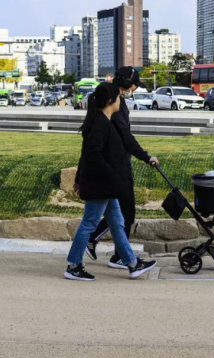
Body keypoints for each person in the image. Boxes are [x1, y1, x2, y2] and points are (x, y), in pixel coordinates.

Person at [65, 82, 157, 281]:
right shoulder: (100, 124)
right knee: (89, 223)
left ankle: (132, 263)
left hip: (107, 185)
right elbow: (92, 156)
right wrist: (113, 176)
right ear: (110, 101)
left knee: (117, 222)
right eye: (118, 96)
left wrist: (144, 158)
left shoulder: (106, 121)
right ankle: (73, 265)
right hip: (101, 185)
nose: (120, 99)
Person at [84, 67, 159, 269]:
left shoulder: (118, 100)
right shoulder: (113, 103)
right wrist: (146, 157)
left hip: (118, 162)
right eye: (134, 84)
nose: (134, 88)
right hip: (116, 166)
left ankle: (113, 252)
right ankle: (115, 254)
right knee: (123, 213)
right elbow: (125, 137)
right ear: (126, 84)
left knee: (118, 213)